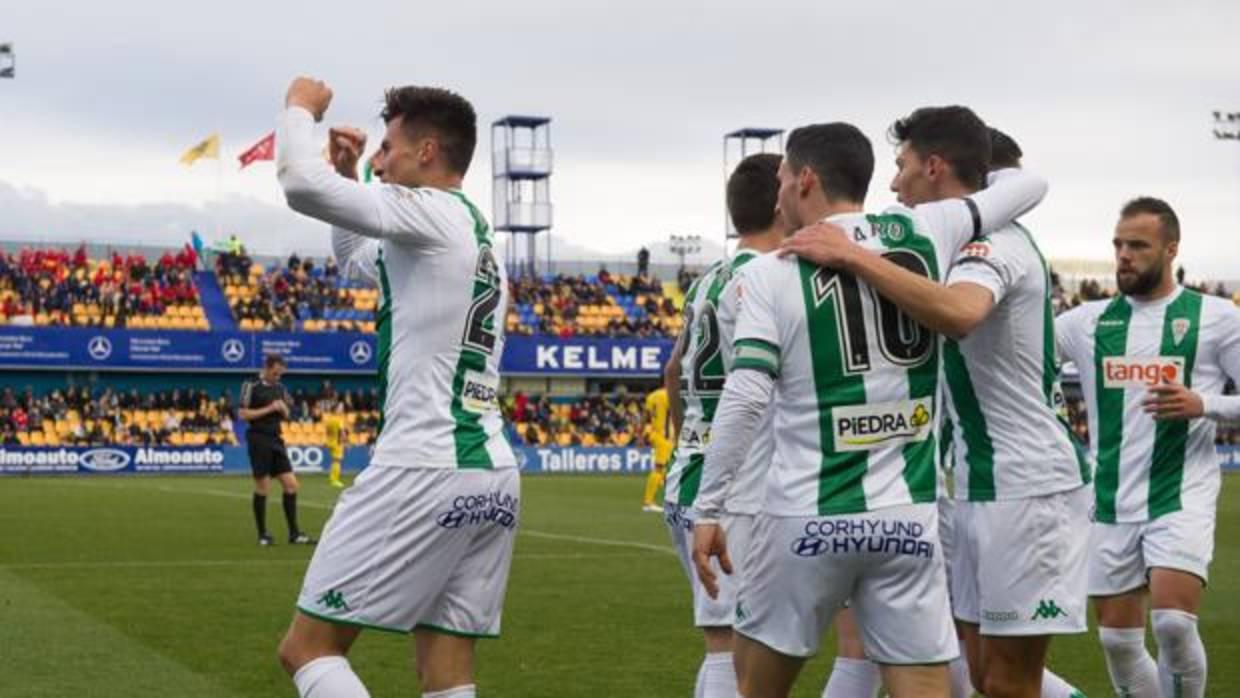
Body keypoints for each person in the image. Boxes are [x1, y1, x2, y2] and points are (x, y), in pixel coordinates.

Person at [692, 119, 1047, 698]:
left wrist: (710, 507)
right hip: (906, 520)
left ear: (805, 178)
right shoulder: (929, 228)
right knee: (923, 684)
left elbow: (748, 393)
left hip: (806, 515)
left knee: (755, 687)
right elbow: (1029, 186)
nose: (778, 191)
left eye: (782, 176)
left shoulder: (770, 271)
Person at [784, 113, 1090, 698]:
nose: (894, 185)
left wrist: (853, 257)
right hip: (977, 485)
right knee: (974, 675)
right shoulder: (951, 239)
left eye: (900, 167)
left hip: (1027, 486)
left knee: (1007, 682)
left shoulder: (991, 243)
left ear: (933, 167)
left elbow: (960, 314)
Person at [274, 76, 517, 698]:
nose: (381, 160)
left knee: (308, 648)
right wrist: (352, 172)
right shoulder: (468, 232)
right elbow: (360, 261)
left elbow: (301, 184)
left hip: (423, 463)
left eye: (388, 147)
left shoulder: (432, 215)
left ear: (428, 152)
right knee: (445, 666)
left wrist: (299, 110)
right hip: (487, 472)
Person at [1056, 197, 1240, 698]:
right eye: (1118, 244)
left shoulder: (1217, 317)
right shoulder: (1083, 323)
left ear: (1171, 249)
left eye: (1138, 245)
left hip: (1181, 495)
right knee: (1117, 640)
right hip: (1110, 499)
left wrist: (1203, 402)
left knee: (1175, 625)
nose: (1123, 255)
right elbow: (1017, 369)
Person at [662, 152, 786, 696]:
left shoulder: (707, 279)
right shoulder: (769, 277)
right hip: (733, 488)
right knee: (734, 647)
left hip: (688, 471)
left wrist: (691, 434)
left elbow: (672, 371)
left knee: (730, 641)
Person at [239, 353, 315, 546]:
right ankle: (263, 534)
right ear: (267, 368)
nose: (278, 377)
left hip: (276, 439)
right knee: (263, 487)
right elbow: (243, 414)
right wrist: (271, 408)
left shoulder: (280, 388)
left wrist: (283, 409)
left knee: (292, 485)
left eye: (280, 374)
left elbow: (287, 413)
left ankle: (294, 534)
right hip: (258, 439)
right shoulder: (251, 386)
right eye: (275, 373)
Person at [641, 385, 673, 512]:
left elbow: (645, 417)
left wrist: (640, 435)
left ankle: (669, 499)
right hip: (665, 437)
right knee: (660, 468)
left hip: (656, 434)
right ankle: (648, 502)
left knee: (667, 469)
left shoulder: (651, 396)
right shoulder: (668, 395)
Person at [323, 400, 348, 488]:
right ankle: (335, 480)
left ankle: (332, 478)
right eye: (340, 408)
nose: (342, 410)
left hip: (330, 442)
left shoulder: (329, 419)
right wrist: (345, 442)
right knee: (337, 461)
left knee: (334, 460)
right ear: (335, 410)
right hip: (338, 442)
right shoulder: (338, 420)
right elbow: (342, 433)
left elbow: (327, 432)